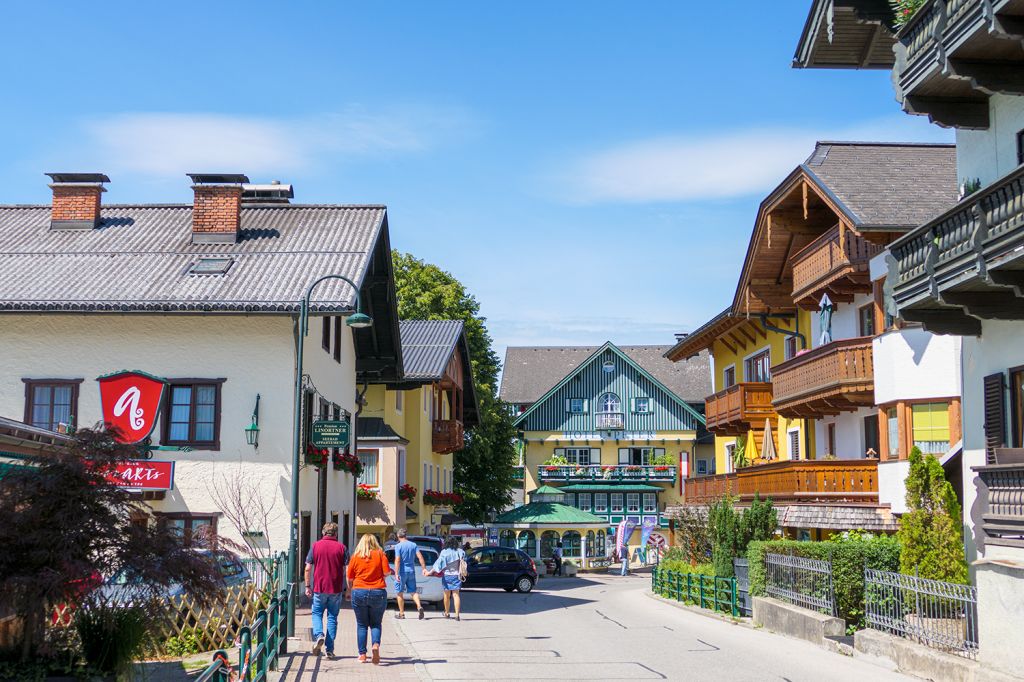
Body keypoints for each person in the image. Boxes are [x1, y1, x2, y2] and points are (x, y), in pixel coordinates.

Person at [346, 534, 391, 664]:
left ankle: (362, 655)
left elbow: (350, 577)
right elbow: (387, 572)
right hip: (378, 592)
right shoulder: (380, 554)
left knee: (362, 625)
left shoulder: (355, 556)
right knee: (376, 623)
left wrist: (350, 589)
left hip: (359, 591)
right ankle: (375, 645)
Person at [304, 522, 347, 659]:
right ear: (336, 533)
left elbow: (308, 568)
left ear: (323, 533)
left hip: (319, 588)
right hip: (335, 588)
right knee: (332, 617)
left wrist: (307, 586)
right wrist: (347, 588)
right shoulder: (342, 548)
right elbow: (347, 569)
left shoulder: (316, 546)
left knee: (317, 613)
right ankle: (329, 649)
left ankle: (319, 634)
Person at [393, 528, 427, 620]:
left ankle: (401, 613)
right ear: (406, 535)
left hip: (402, 572)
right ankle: (419, 606)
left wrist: (396, 573)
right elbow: (420, 557)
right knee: (413, 591)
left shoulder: (398, 546)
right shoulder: (413, 545)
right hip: (411, 571)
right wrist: (424, 568)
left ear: (398, 536)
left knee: (399, 592)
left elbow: (398, 560)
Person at [430, 535, 466, 621]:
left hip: (447, 575)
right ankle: (457, 615)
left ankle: (447, 612)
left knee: (446, 595)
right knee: (456, 595)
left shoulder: (444, 552)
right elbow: (464, 560)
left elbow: (439, 564)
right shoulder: (460, 551)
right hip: (457, 575)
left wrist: (430, 572)